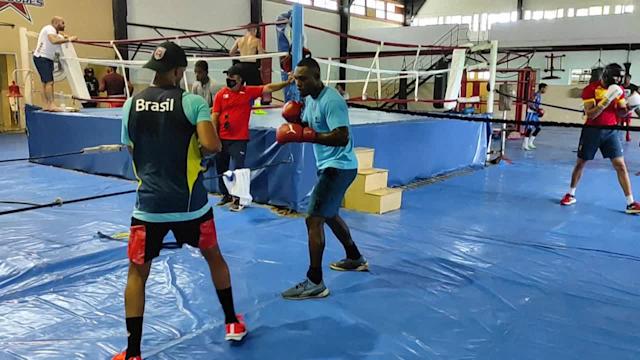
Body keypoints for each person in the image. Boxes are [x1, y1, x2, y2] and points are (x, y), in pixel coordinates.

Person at [113, 42, 246, 360]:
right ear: (178, 71)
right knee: (214, 257)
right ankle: (231, 322)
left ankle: (132, 352)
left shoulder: (130, 105)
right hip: (191, 206)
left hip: (149, 207)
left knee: (136, 273)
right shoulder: (192, 103)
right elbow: (212, 145)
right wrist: (197, 153)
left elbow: (131, 148)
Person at [277, 57, 367, 300]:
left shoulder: (332, 101)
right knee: (328, 214)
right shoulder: (309, 100)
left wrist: (307, 136)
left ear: (317, 78)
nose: (298, 83)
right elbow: (308, 123)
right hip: (329, 165)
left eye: (304, 79)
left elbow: (341, 137)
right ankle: (354, 257)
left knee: (313, 219)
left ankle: (315, 281)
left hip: (339, 167)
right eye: (296, 79)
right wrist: (295, 121)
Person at [560, 63, 640, 214]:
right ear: (605, 76)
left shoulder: (620, 90)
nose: (617, 83)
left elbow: (621, 113)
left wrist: (630, 108)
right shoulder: (590, 89)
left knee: (620, 165)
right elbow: (590, 114)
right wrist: (606, 100)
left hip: (611, 131)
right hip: (592, 130)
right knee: (581, 164)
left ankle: (630, 203)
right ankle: (570, 194)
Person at [212, 63, 293, 212]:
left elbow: (268, 88)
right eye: (228, 79)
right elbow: (215, 116)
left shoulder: (248, 92)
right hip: (222, 138)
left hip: (239, 139)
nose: (229, 82)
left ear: (241, 80)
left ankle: (238, 198)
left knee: (238, 171)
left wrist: (286, 83)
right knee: (221, 168)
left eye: (233, 79)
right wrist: (214, 137)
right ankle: (225, 194)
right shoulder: (220, 94)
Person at [33, 16, 76, 112]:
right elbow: (53, 40)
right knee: (49, 82)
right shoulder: (49, 29)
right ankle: (51, 105)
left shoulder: (56, 33)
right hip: (41, 57)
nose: (64, 25)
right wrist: (69, 39)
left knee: (45, 82)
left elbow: (61, 38)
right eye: (62, 23)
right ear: (56, 23)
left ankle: (47, 105)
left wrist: (68, 37)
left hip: (46, 58)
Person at [522, 83, 547, 150]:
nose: (546, 90)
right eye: (545, 88)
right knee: (529, 129)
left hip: (535, 114)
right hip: (531, 113)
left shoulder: (539, 95)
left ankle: (530, 143)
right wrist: (537, 110)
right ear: (542, 88)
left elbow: (536, 105)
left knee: (538, 128)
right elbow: (529, 104)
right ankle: (525, 145)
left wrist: (540, 111)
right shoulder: (535, 95)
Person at [621, 74, 638, 142]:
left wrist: (632, 96)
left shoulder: (633, 87)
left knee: (628, 121)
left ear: (630, 79)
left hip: (629, 106)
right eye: (625, 78)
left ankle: (627, 135)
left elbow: (637, 92)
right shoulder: (620, 86)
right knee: (621, 122)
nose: (626, 80)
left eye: (627, 79)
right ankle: (620, 135)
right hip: (621, 105)